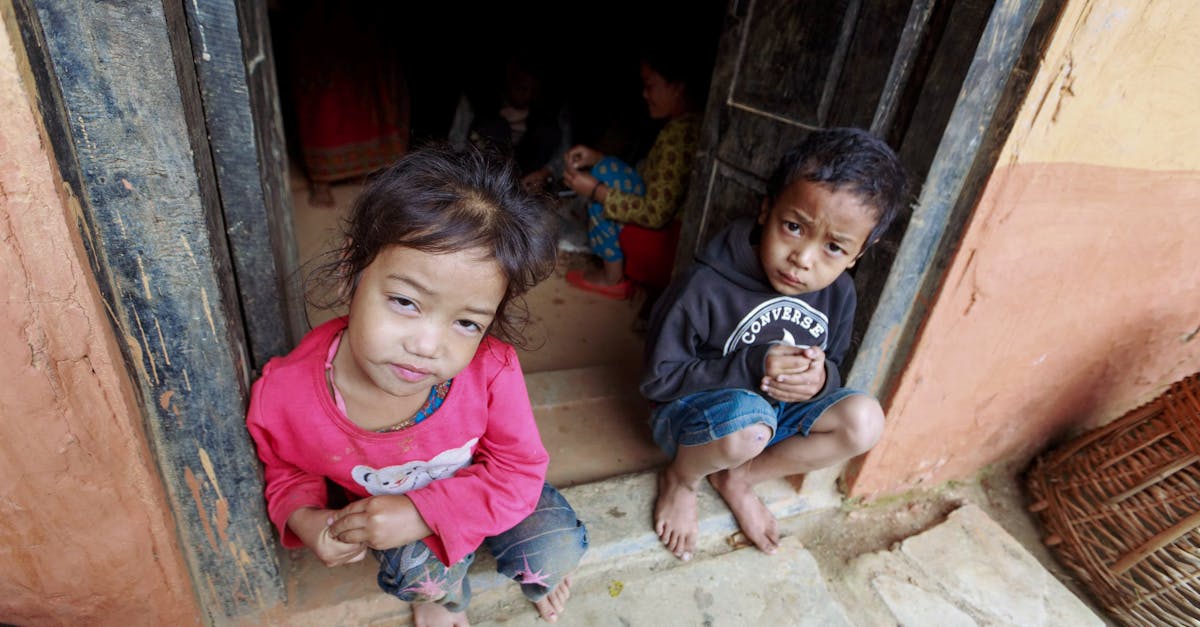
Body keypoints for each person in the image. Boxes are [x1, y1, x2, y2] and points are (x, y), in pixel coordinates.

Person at [246, 144, 587, 626]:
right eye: (406, 301)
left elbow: (517, 472)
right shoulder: (285, 396)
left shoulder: (491, 369)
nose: (429, 345)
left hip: (486, 487)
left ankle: (539, 573)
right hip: (395, 519)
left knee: (553, 552)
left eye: (467, 323)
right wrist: (305, 519)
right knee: (415, 572)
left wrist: (424, 512)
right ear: (352, 272)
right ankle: (440, 599)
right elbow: (288, 469)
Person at [639, 128, 909, 562]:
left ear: (858, 254)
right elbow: (658, 380)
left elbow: (835, 364)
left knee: (864, 421)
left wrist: (819, 382)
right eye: (794, 226)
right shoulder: (706, 284)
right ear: (767, 209)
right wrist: (750, 365)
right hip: (695, 422)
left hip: (765, 427)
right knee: (751, 424)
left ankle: (739, 479)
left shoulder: (839, 295)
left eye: (835, 247)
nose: (803, 258)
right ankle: (681, 480)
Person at [559, 43, 704, 301]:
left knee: (604, 175)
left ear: (678, 87)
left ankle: (612, 277)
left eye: (650, 86)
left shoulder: (678, 135)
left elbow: (655, 213)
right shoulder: (691, 124)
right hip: (672, 236)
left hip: (665, 248)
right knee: (607, 167)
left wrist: (594, 190)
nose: (645, 94)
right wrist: (597, 156)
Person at [276, 2, 411, 207]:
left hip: (358, 22)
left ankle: (366, 169)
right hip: (316, 23)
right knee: (322, 103)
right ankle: (321, 179)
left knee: (368, 97)